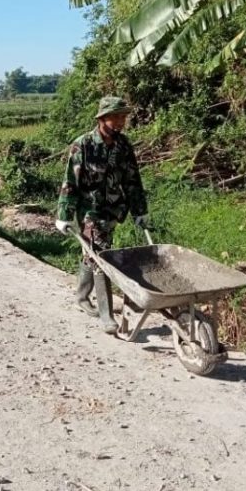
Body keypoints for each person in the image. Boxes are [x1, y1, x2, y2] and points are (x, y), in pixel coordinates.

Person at [54, 96, 148, 334]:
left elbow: (132, 181)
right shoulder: (82, 145)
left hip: (114, 211)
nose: (120, 122)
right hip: (90, 212)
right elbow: (70, 182)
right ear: (102, 118)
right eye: (115, 117)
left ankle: (81, 296)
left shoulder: (123, 146)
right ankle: (107, 316)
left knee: (91, 253)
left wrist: (140, 211)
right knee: (101, 258)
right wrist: (64, 214)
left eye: (123, 117)